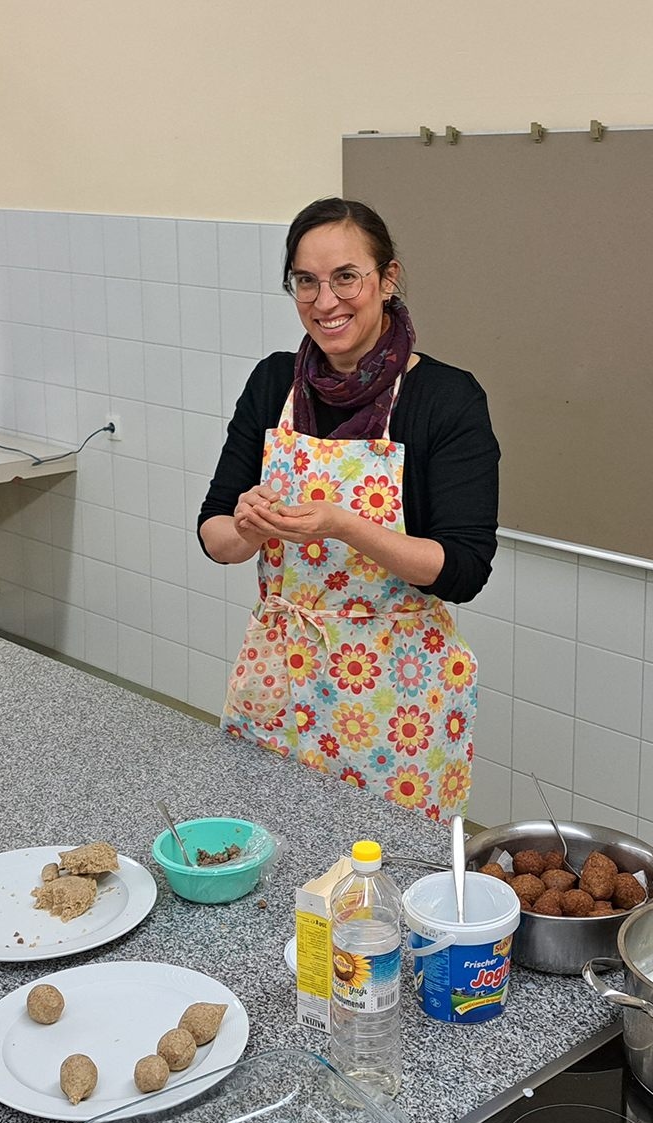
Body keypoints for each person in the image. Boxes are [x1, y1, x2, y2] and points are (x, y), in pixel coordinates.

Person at [197, 198, 500, 821]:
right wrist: (248, 527)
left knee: (380, 885)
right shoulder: (272, 383)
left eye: (345, 277)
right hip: (278, 672)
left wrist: (344, 525)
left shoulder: (445, 398)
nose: (324, 300)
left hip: (398, 694)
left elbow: (464, 569)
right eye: (305, 281)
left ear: (387, 280)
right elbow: (214, 533)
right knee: (267, 859)